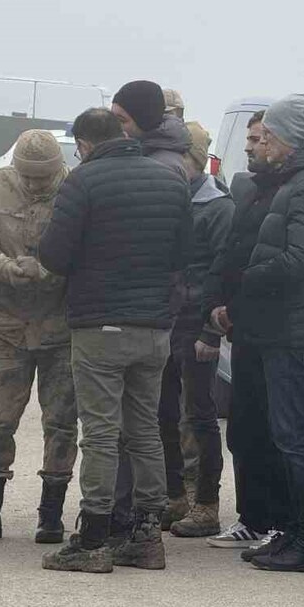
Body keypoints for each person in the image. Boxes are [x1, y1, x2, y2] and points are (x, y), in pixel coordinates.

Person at [38, 108, 191, 574]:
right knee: (144, 430)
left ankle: (92, 540)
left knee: (101, 433)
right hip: (155, 327)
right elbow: (185, 252)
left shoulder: (83, 182)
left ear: (84, 143)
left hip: (101, 324)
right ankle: (147, 536)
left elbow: (55, 255)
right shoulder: (171, 179)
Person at [214, 95, 304, 573]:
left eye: (266, 135)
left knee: (297, 437)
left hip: (295, 328)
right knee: (284, 433)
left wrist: (250, 278)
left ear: (288, 138)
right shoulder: (298, 179)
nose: (261, 142)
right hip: (284, 325)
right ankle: (291, 531)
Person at [0, 130, 77, 543]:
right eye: (27, 177)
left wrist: (51, 269)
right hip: (8, 324)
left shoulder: (75, 189)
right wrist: (4, 267)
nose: (34, 186)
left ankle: (51, 514)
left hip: (60, 327)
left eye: (42, 179)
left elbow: (85, 249)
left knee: (62, 423)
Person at [105, 80, 190, 536]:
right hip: (151, 307)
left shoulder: (164, 167)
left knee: (145, 421)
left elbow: (173, 247)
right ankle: (143, 514)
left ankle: (139, 515)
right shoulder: (150, 157)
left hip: (150, 310)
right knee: (142, 420)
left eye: (121, 119)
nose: (116, 128)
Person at [203, 110, 291, 550]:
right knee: (243, 428)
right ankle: (252, 518)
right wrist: (217, 303)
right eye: (251, 139)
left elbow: (278, 267)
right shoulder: (252, 191)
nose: (252, 146)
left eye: (260, 139)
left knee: (276, 431)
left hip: (275, 330)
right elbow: (233, 252)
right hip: (244, 328)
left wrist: (236, 304)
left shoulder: (292, 194)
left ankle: (279, 522)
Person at [166, 121, 233, 539]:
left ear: (196, 160)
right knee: (164, 413)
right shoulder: (171, 197)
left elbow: (223, 273)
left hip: (196, 323)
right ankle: (174, 496)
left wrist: (211, 332)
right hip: (166, 319)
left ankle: (206, 503)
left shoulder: (219, 207)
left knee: (200, 414)